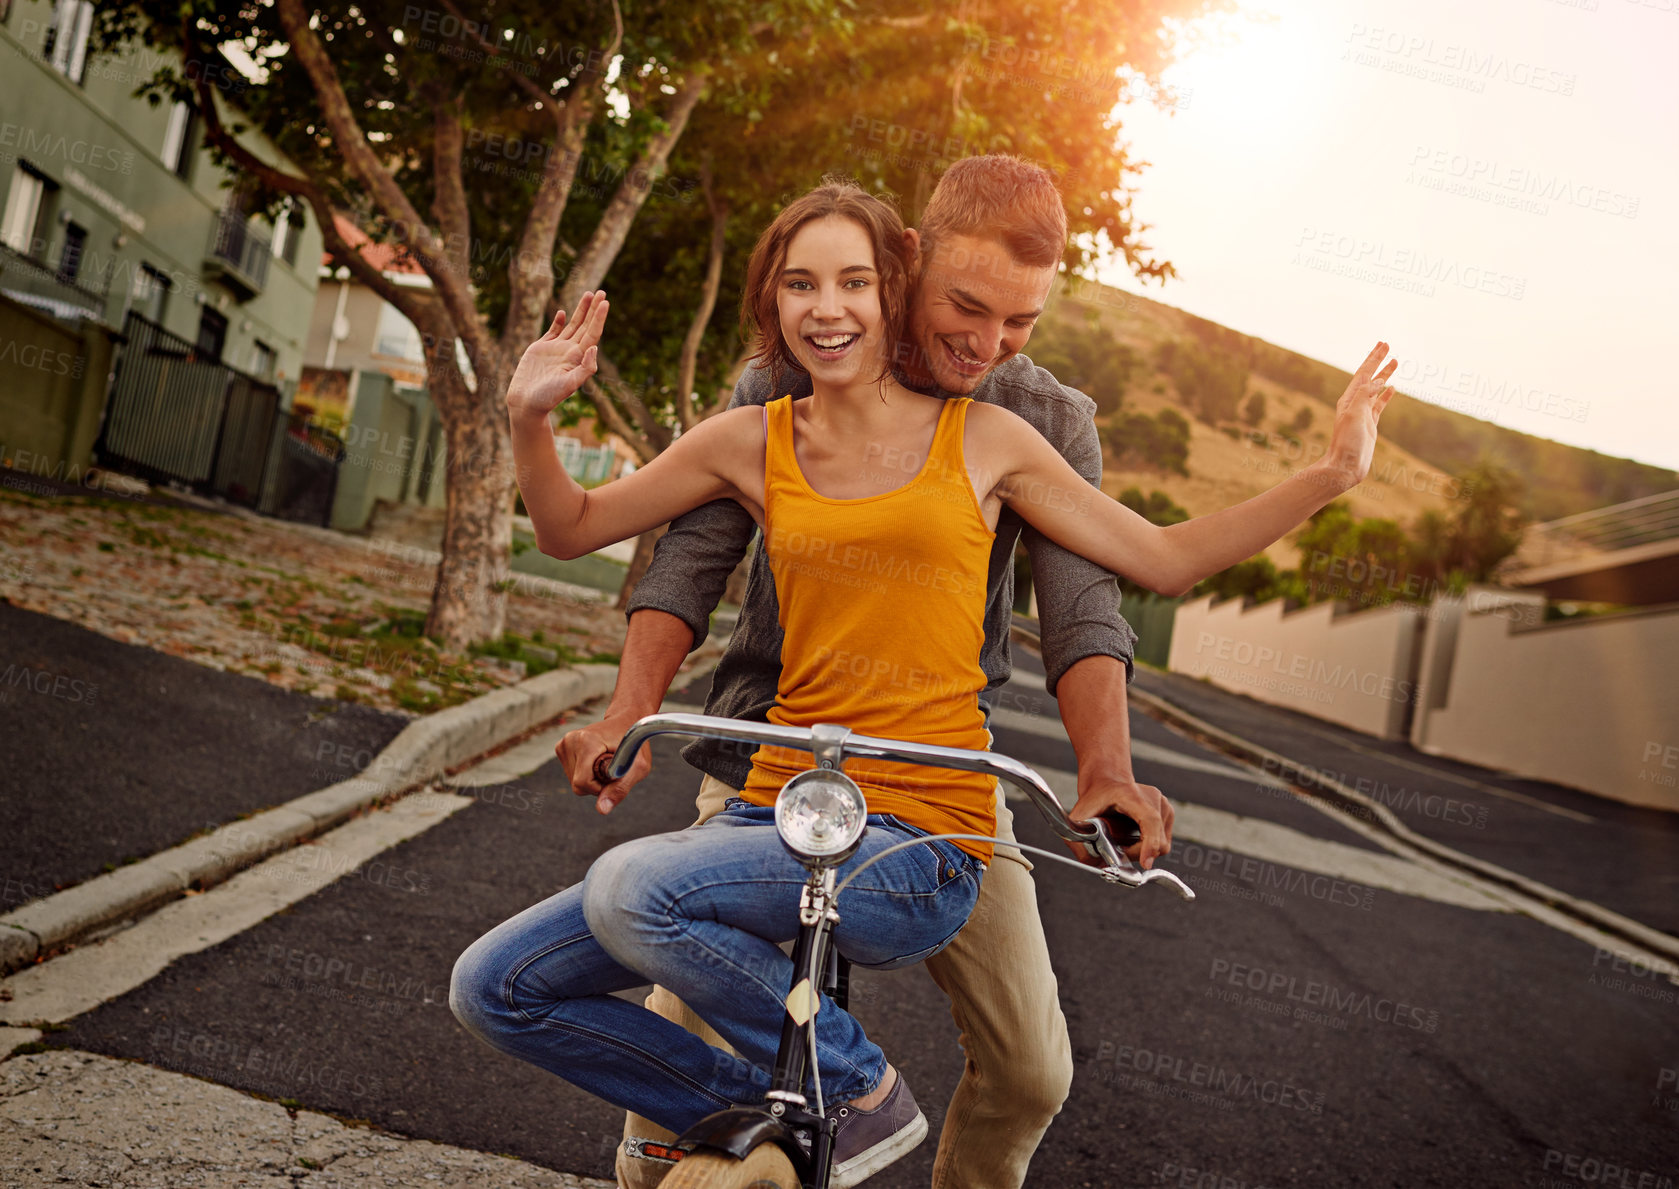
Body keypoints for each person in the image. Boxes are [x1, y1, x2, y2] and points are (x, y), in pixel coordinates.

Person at [451, 174, 1397, 1186]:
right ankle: (769, 1115)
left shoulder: (1009, 427)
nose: (989, 343)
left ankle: (849, 1093)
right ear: (904, 268)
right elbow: (606, 539)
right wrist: (528, 421)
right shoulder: (760, 416)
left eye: (1019, 320)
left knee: (1012, 1060)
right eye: (967, 308)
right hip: (768, 781)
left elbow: (1124, 582)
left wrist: (1329, 475)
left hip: (926, 801)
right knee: (494, 984)